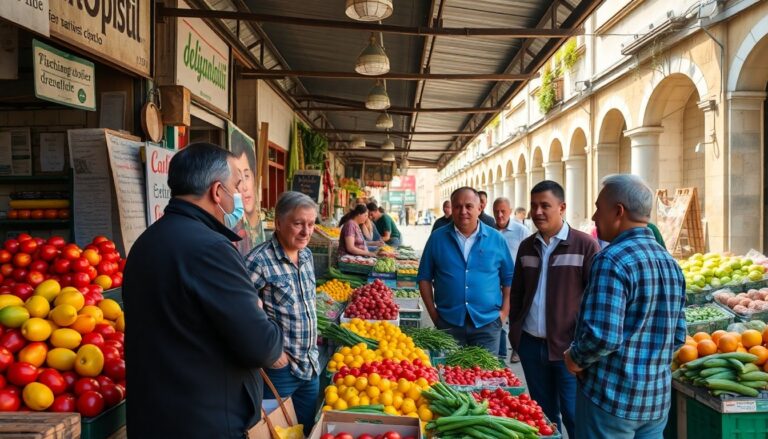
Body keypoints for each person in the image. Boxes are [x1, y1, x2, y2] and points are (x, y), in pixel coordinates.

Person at [123, 143, 283, 438]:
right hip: (202, 423)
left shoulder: (146, 242)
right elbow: (261, 346)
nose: (239, 194)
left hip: (153, 419)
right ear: (217, 191)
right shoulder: (211, 249)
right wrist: (265, 320)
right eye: (236, 185)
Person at [564, 174, 686, 438]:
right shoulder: (671, 264)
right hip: (655, 404)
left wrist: (574, 359)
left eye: (598, 208)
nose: (595, 217)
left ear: (618, 211)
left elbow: (603, 337)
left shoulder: (612, 260)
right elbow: (678, 336)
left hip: (610, 401)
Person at [508, 180, 600, 439]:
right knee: (542, 415)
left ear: (562, 207)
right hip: (531, 345)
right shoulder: (527, 246)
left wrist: (582, 345)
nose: (537, 212)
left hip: (568, 350)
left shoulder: (584, 246)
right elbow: (517, 293)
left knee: (573, 414)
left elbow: (594, 299)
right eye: (534, 206)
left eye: (545, 206)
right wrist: (515, 332)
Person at [246, 191, 321, 436]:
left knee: (307, 430)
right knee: (276, 432)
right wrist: (271, 350)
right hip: (280, 371)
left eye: (311, 224)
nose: (306, 232)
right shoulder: (258, 261)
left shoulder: (307, 256)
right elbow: (240, 311)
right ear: (278, 223)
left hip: (310, 365)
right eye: (298, 223)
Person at [417, 187, 513, 353]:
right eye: (457, 206)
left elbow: (509, 279)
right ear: (451, 208)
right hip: (448, 324)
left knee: (485, 377)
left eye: (469, 206)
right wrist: (434, 315)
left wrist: (503, 314)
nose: (463, 211)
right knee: (448, 375)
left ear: (480, 208)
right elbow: (424, 277)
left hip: (487, 325)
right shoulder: (437, 238)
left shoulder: (496, 238)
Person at [492, 197, 530, 363]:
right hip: (495, 283)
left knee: (515, 317)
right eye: (497, 211)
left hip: (516, 282)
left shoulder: (521, 231)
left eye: (503, 211)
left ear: (510, 211)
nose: (500, 215)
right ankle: (500, 356)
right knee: (498, 318)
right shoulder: (488, 231)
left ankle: (516, 349)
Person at [230, 128, 264, 255]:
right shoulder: (235, 229)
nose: (244, 187)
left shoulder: (259, 232)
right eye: (238, 178)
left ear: (255, 177)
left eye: (247, 175)